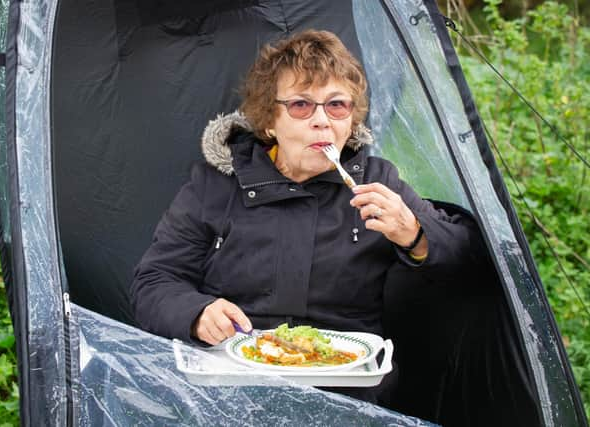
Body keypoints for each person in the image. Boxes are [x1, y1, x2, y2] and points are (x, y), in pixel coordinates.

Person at [131, 29, 486, 406]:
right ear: (269, 120)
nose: (322, 121)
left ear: (351, 119)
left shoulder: (378, 181)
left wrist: (416, 235)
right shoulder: (215, 186)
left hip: (351, 391)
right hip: (232, 388)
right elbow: (153, 283)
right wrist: (196, 314)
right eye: (301, 105)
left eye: (336, 105)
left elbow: (470, 264)